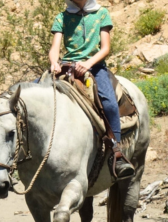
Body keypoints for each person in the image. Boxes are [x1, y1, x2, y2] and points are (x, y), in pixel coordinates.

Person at [48, 0, 135, 179]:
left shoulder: (101, 13)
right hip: (67, 66)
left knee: (110, 104)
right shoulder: (61, 17)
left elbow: (105, 48)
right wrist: (54, 62)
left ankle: (116, 152)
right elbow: (54, 49)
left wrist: (87, 64)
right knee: (32, 95)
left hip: (94, 67)